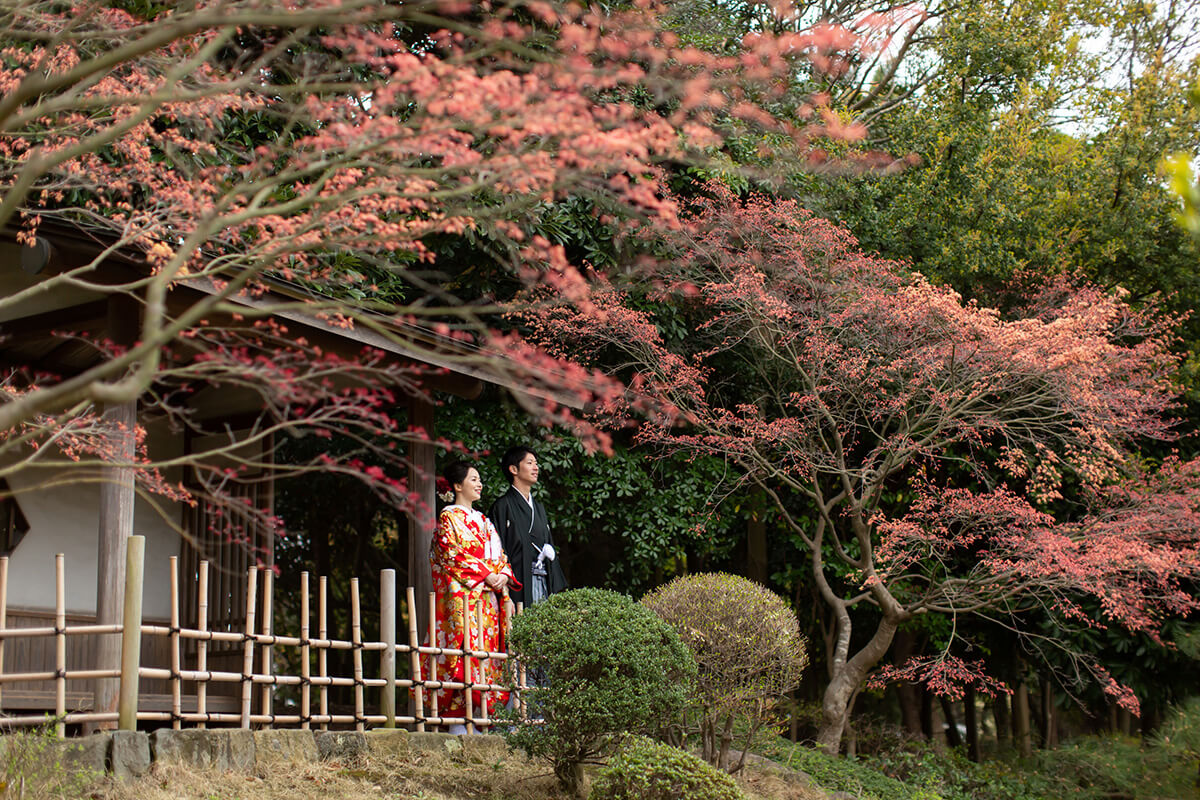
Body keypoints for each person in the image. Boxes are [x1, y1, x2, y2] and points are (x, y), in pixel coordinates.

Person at [426, 460, 519, 734]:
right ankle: (458, 722)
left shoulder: (484, 521)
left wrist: (502, 574)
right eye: (473, 479)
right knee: (464, 656)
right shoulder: (448, 518)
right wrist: (485, 574)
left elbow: (500, 556)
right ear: (457, 486)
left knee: (488, 658)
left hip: (487, 599)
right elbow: (451, 554)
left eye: (480, 480)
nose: (479, 484)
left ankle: (481, 718)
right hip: (465, 601)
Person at [488, 446, 566, 608]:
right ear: (514, 469)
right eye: (530, 463)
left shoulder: (539, 508)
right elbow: (495, 550)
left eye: (536, 463)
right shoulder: (503, 506)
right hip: (517, 581)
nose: (536, 467)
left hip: (544, 579)